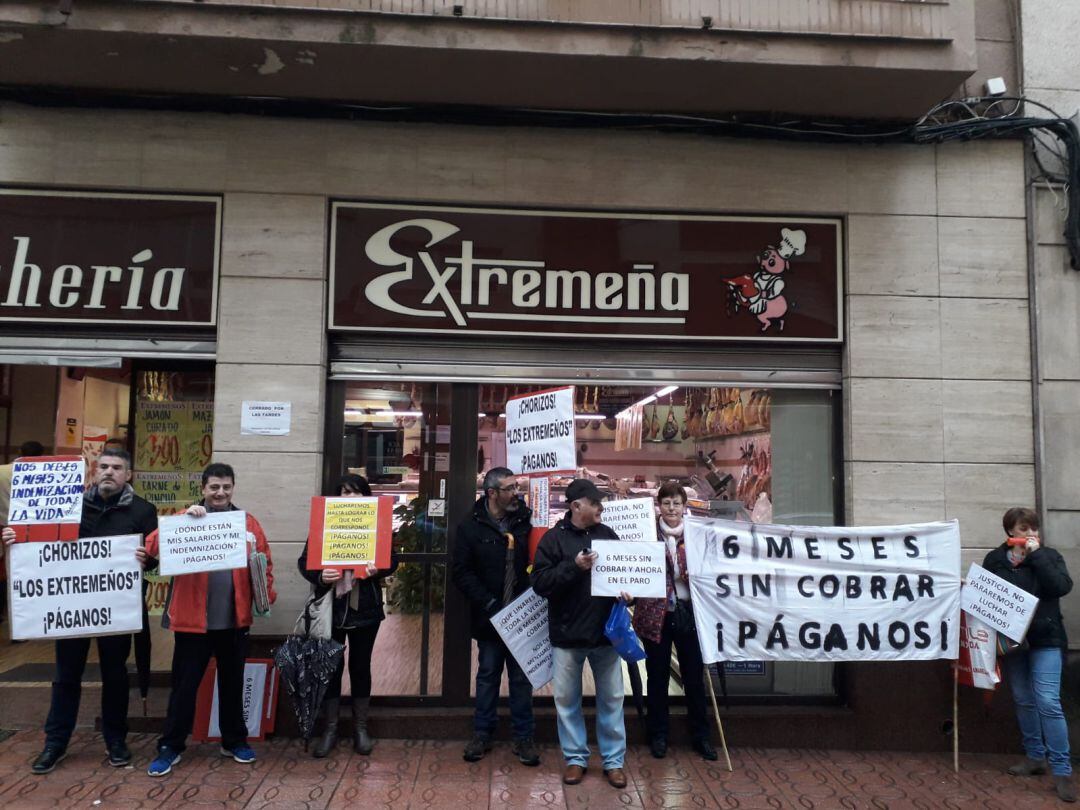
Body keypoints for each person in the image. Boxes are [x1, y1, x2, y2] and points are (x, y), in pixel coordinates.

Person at [2, 446, 158, 774]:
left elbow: (155, 559)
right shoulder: (67, 506)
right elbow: (40, 544)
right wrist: (17, 539)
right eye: (104, 466)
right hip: (71, 609)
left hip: (115, 611)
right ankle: (55, 742)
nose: (109, 472)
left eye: (117, 467)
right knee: (66, 676)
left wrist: (148, 559)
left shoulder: (144, 511)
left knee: (115, 675)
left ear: (128, 475)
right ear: (94, 471)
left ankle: (116, 739)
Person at [141, 462, 276, 777]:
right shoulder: (185, 519)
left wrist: (266, 595)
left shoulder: (248, 523)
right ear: (203, 488)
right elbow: (152, 547)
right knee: (184, 688)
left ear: (233, 488)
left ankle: (234, 741)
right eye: (214, 487)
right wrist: (184, 519)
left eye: (226, 487)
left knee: (232, 684)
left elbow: (265, 562)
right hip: (193, 624)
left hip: (234, 621)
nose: (220, 493)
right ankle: (171, 746)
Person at [531, 478, 628, 789]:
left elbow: (625, 576)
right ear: (576, 506)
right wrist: (573, 567)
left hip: (605, 635)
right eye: (595, 503)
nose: (601, 507)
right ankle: (575, 758)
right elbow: (540, 584)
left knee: (612, 699)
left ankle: (614, 762)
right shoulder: (553, 540)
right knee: (566, 700)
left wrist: (630, 596)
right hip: (567, 634)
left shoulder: (608, 535)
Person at [298, 473, 398, 758]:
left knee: (360, 666)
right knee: (331, 667)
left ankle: (360, 728)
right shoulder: (324, 523)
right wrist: (321, 576)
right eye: (345, 492)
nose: (350, 497)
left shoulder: (376, 525)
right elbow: (304, 562)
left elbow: (392, 560)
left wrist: (378, 569)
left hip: (365, 608)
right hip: (331, 609)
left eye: (356, 492)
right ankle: (330, 729)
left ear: (365, 497)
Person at [982, 507, 1076, 803]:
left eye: (1034, 528)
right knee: (1023, 698)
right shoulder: (996, 559)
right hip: (1014, 642)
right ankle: (1035, 757)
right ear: (1011, 531)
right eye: (1024, 528)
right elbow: (988, 595)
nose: (1031, 533)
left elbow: (1060, 586)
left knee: (1048, 701)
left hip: (1046, 638)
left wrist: (1037, 556)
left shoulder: (1049, 556)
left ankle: (1062, 770)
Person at [450, 467, 539, 766]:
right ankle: (482, 734)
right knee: (487, 676)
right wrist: (488, 602)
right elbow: (462, 572)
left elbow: (539, 560)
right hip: (490, 617)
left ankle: (524, 737)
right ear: (491, 493)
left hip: (521, 617)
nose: (516, 493)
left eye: (516, 487)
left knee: (521, 679)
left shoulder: (526, 523)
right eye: (510, 488)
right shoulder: (470, 527)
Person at [632, 482, 717, 761]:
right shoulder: (645, 534)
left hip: (690, 613)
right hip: (655, 614)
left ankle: (701, 736)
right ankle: (658, 735)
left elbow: (712, 568)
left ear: (684, 506)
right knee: (657, 677)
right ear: (659, 505)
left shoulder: (697, 534)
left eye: (676, 503)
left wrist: (698, 575)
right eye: (666, 503)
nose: (671, 509)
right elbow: (632, 567)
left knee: (694, 677)